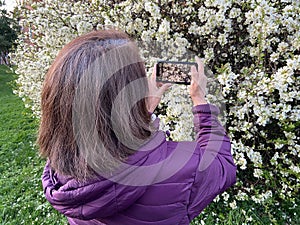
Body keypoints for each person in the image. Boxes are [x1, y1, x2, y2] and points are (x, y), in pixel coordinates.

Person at [40, 29, 236, 225]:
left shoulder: (61, 166)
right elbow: (222, 164)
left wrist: (142, 112)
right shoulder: (178, 168)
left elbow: (100, 127)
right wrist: (200, 100)